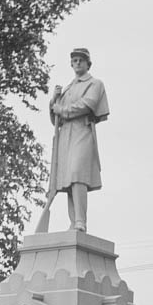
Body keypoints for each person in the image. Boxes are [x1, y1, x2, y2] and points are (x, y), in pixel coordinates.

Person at [46, 47, 109, 233]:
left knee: (76, 173)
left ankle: (81, 221)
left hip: (82, 131)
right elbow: (54, 121)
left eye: (81, 60)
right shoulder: (67, 89)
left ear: (88, 63)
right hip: (65, 135)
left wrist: (62, 110)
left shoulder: (95, 84)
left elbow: (87, 105)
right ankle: (74, 222)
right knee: (68, 180)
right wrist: (53, 102)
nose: (77, 63)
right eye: (74, 60)